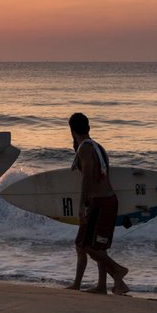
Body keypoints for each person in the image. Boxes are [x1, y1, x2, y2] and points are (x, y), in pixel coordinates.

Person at [67, 112, 130, 295]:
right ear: (88, 127)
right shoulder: (97, 147)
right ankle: (103, 285)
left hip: (103, 203)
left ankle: (118, 270)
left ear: (71, 130)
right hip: (102, 201)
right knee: (91, 245)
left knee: (90, 246)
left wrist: (81, 205)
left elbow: (87, 178)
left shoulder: (85, 149)